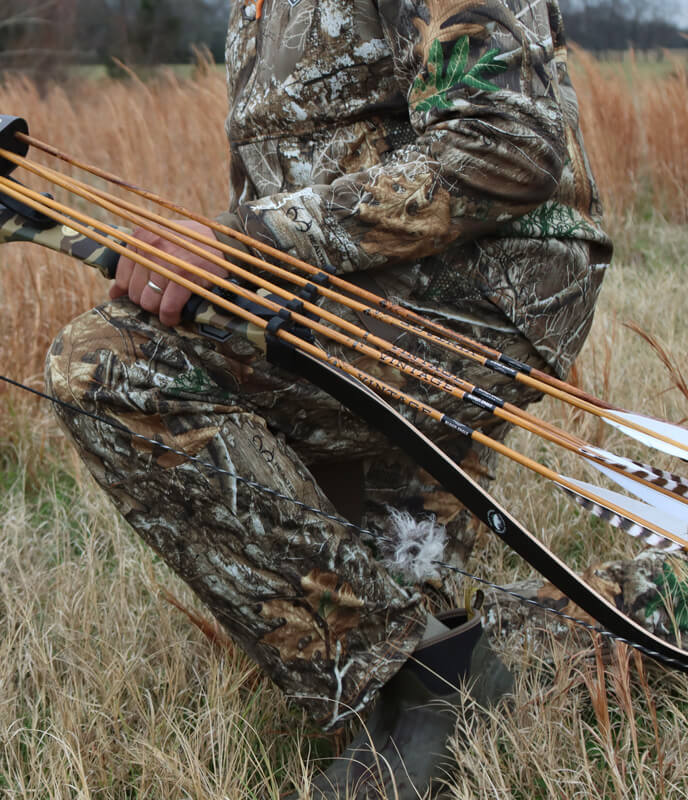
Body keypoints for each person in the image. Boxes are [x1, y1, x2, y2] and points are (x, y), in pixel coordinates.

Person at [46, 1, 682, 797]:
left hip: (464, 305)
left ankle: (426, 681)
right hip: (338, 300)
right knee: (405, 609)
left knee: (106, 363)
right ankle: (658, 602)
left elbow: (508, 150)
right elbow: (286, 175)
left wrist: (243, 246)